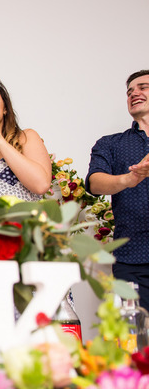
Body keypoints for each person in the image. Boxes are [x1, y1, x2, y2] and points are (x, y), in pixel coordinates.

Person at [86, 69, 149, 311]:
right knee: (134, 332)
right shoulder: (110, 144)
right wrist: (129, 179)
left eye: (143, 87)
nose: (134, 93)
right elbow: (95, 183)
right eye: (129, 91)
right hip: (131, 259)